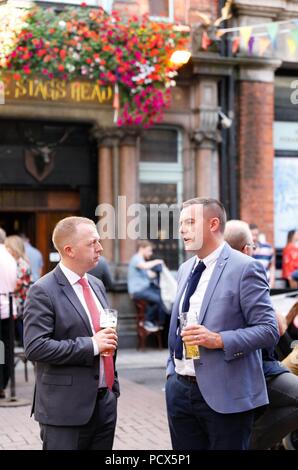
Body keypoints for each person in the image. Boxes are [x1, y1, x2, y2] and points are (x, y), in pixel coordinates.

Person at [166, 198, 279, 450]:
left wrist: (218, 340)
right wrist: (171, 372)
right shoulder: (185, 268)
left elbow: (269, 330)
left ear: (213, 224)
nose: (182, 229)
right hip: (180, 390)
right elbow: (177, 326)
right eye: (181, 223)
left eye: (190, 222)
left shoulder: (245, 268)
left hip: (227, 395)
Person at [23, 216, 119, 450]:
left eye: (99, 241)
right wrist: (92, 345)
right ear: (69, 250)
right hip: (64, 410)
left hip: (104, 403)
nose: (100, 248)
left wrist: (112, 388)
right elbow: (36, 347)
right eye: (92, 243)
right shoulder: (43, 290)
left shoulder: (96, 283)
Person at [224, 219, 298, 450]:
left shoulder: (214, 273)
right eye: (253, 246)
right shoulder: (249, 270)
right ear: (247, 248)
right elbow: (274, 329)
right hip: (253, 364)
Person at [127, 240, 167, 331]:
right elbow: (144, 266)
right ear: (142, 249)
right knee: (159, 299)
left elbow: (150, 274)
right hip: (138, 291)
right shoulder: (136, 258)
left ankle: (154, 322)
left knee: (162, 297)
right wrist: (157, 261)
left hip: (144, 290)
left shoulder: (141, 260)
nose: (151, 253)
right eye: (149, 250)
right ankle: (147, 321)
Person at [5, 235, 33, 346]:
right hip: (17, 302)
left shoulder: (22, 265)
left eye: (8, 248)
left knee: (20, 328)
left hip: (20, 302)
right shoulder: (15, 263)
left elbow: (17, 286)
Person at [0, 228, 17, 399]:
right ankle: (3, 382)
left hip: (3, 304)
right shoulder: (9, 256)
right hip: (8, 306)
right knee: (6, 347)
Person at [249, 223, 275, 288]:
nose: (254, 237)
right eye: (252, 235)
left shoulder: (268, 247)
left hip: (266, 284)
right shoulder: (245, 249)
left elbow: (272, 266)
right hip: (251, 286)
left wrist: (272, 283)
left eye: (256, 235)